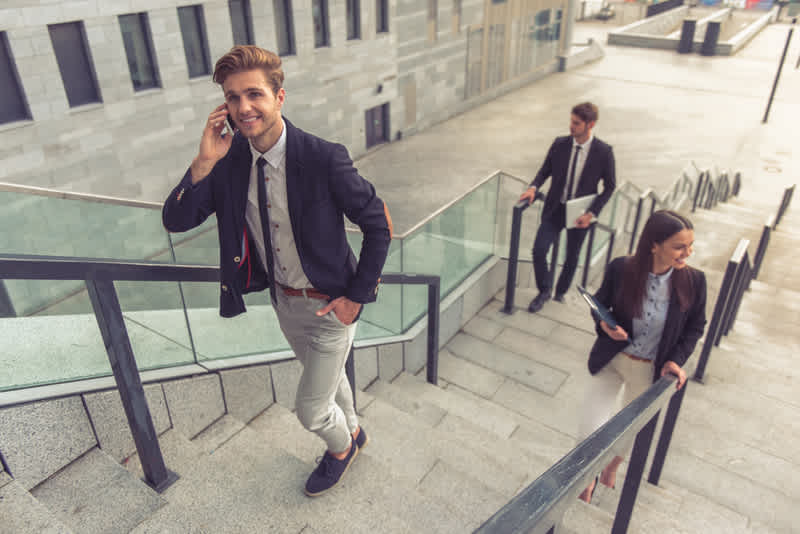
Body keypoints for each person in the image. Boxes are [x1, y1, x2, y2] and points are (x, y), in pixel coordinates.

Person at [162, 46, 393, 497]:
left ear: (279, 96)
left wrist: (356, 297)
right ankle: (355, 429)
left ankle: (341, 448)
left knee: (309, 410)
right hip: (285, 305)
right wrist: (203, 161)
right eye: (232, 98)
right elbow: (176, 221)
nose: (243, 107)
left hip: (331, 307)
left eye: (254, 94)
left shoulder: (324, 157)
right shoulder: (229, 164)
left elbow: (378, 225)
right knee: (329, 383)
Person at [576, 210, 707, 503]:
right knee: (589, 427)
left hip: (650, 369)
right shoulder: (621, 269)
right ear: (654, 245)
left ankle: (611, 467)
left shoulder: (695, 281)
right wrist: (605, 325)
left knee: (632, 431)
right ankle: (585, 481)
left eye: (690, 245)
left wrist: (677, 359)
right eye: (679, 246)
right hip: (613, 360)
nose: (688, 252)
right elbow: (599, 304)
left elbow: (696, 326)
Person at [519, 102, 616, 313]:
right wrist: (533, 187)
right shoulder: (560, 144)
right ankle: (544, 291)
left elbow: (610, 187)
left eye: (577, 123)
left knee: (572, 255)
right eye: (571, 121)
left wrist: (592, 213)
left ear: (591, 125)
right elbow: (545, 170)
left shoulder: (604, 152)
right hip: (556, 208)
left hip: (581, 213)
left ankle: (561, 292)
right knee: (539, 250)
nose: (571, 126)